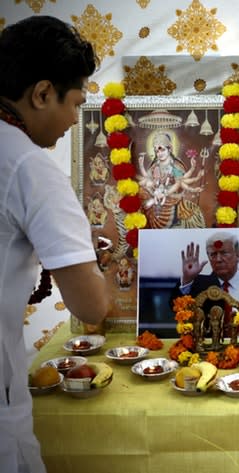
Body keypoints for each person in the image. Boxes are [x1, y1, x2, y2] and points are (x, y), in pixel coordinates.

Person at [0, 16, 109, 473]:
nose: (73, 121)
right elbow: (91, 306)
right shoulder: (29, 165)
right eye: (76, 103)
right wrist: (93, 259)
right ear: (42, 94)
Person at [137, 131, 205, 228]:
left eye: (162, 150)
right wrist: (141, 166)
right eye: (157, 151)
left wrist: (165, 193)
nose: (159, 154)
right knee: (141, 192)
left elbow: (179, 184)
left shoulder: (175, 166)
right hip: (155, 194)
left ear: (170, 149)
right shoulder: (155, 165)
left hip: (171, 196)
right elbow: (147, 179)